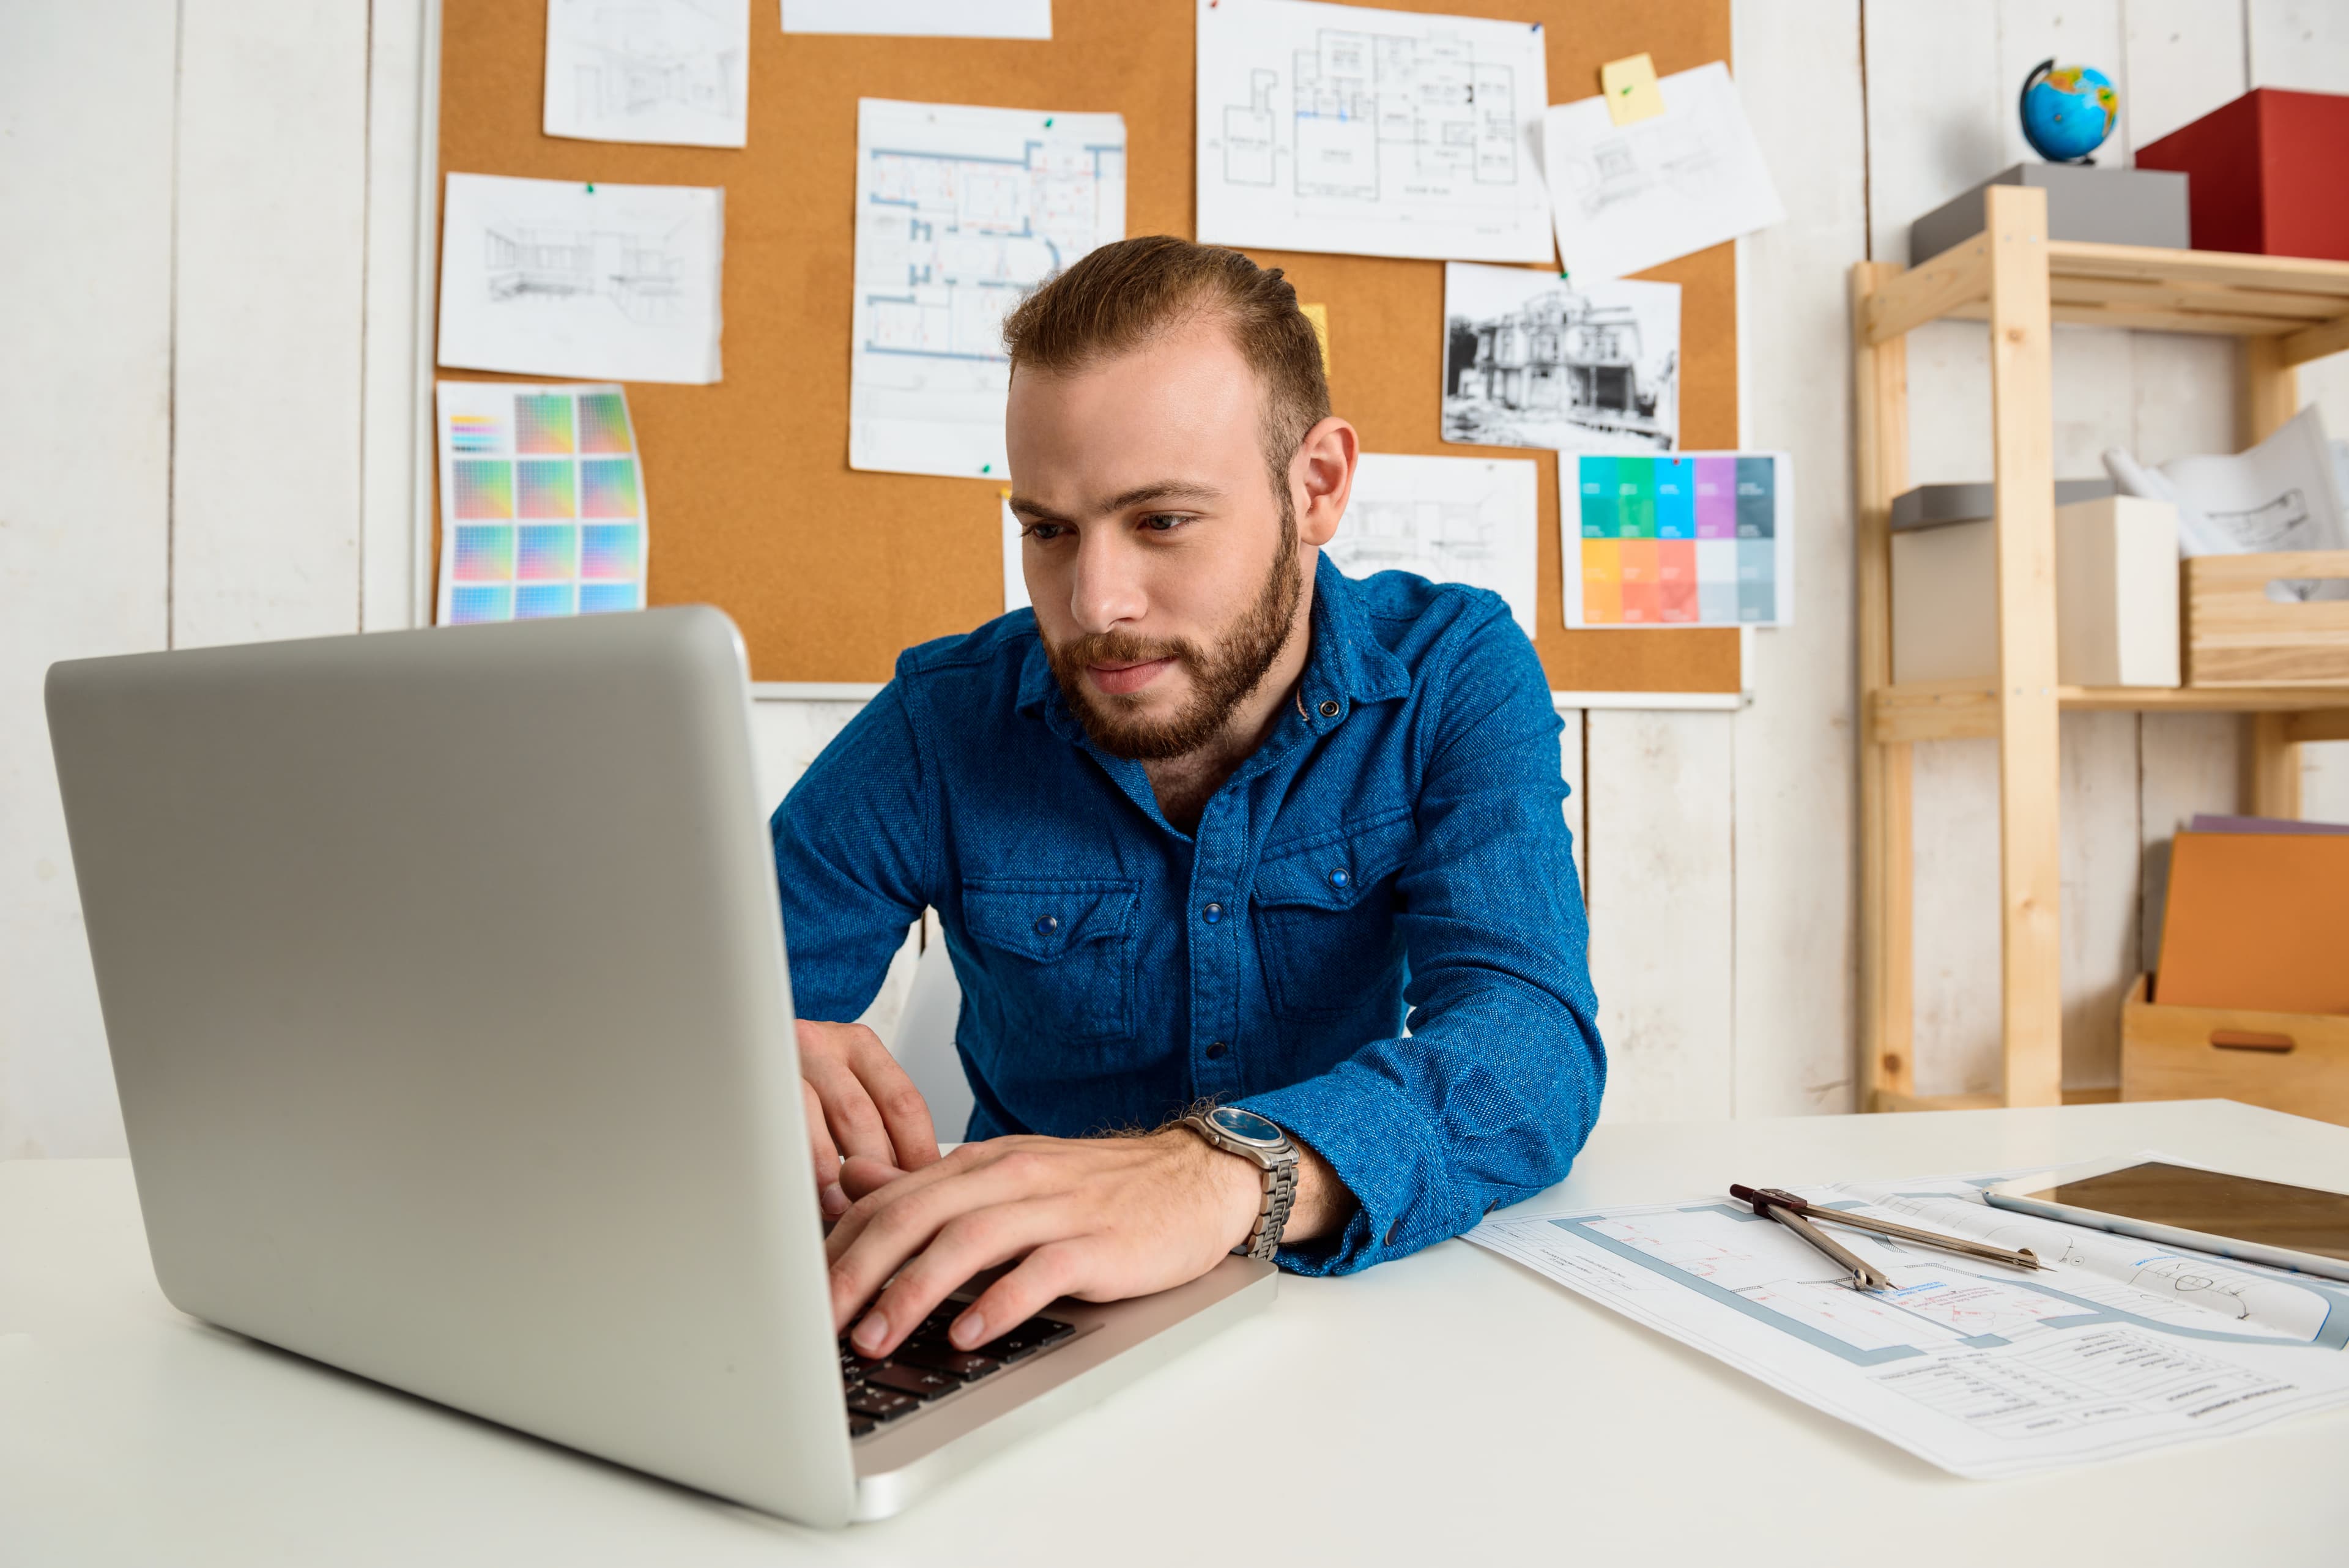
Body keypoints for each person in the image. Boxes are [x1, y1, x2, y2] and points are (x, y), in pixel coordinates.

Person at [772, 236, 1603, 1362]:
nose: (1095, 602)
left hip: (1358, 1324)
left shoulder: (1453, 671)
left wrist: (1218, 1177)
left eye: (1161, 521)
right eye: (1047, 531)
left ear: (1317, 486)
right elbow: (709, 1022)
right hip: (1012, 1322)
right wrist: (735, 1046)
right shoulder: (943, 720)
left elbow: (1530, 1044)